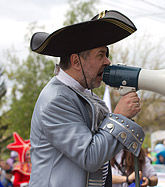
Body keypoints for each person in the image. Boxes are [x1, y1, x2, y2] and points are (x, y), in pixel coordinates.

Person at [28, 10, 145, 187]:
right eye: (100, 55)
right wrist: (120, 117)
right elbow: (91, 156)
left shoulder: (79, 95)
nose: (107, 62)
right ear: (76, 62)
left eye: (106, 55)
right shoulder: (56, 100)